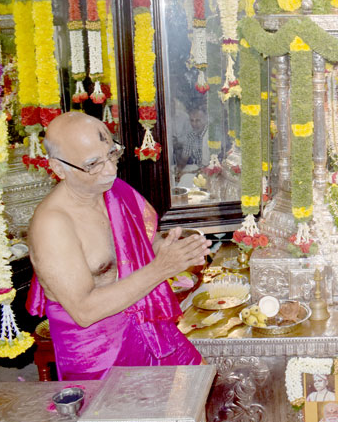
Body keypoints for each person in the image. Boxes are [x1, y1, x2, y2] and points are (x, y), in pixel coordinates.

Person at [25, 112, 212, 381]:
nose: (110, 170)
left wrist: (172, 249)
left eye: (112, 154)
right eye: (93, 164)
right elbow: (84, 311)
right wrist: (161, 268)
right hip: (99, 353)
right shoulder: (53, 225)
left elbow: (141, 248)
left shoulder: (116, 192)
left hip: (147, 327)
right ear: (58, 168)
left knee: (198, 383)